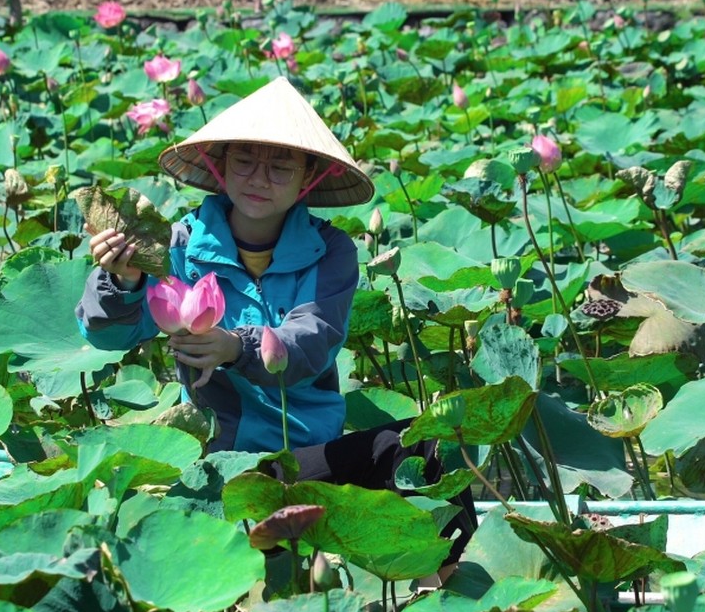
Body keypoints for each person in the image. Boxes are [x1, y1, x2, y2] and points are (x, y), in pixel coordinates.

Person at [75, 76, 474, 570]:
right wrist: (123, 280)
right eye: (243, 161)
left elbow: (312, 340)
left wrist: (234, 347)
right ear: (219, 166)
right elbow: (107, 335)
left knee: (425, 445)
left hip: (311, 457)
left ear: (309, 177)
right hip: (222, 464)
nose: (258, 179)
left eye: (280, 166)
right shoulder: (177, 247)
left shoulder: (331, 251)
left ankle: (442, 592)